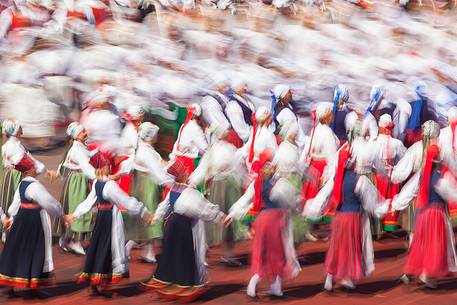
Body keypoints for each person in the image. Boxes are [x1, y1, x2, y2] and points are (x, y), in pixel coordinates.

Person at [303, 111, 389, 291]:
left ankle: (329, 276)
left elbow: (327, 190)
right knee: (354, 245)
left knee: (336, 245)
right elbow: (373, 195)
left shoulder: (342, 157)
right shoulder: (365, 160)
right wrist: (387, 206)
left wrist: (310, 208)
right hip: (356, 212)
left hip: (340, 210)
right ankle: (347, 277)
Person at [142, 158, 226, 302]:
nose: (188, 172)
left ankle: (171, 283)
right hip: (182, 227)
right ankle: (186, 286)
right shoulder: (189, 193)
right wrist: (220, 217)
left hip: (171, 226)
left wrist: (155, 217)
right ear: (181, 175)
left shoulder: (173, 190)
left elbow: (164, 206)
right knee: (185, 256)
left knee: (172, 256)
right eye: (185, 171)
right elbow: (203, 208)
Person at [64, 164, 153, 297]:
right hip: (110, 219)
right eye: (107, 166)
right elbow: (125, 200)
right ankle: (104, 284)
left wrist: (74, 214)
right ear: (104, 168)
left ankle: (95, 283)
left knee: (98, 247)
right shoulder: (110, 186)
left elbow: (88, 202)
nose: (110, 168)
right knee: (109, 248)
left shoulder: (97, 183)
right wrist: (143, 211)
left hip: (101, 218)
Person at [225, 151, 301, 298]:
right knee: (278, 253)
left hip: (262, 219)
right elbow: (292, 200)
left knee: (262, 252)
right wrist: (299, 205)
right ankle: (274, 288)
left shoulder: (258, 183)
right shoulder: (279, 183)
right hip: (275, 221)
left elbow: (245, 200)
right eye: (269, 165)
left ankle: (256, 285)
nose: (271, 167)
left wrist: (232, 214)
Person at [392, 121, 457, 288]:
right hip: (433, 196)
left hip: (418, 196)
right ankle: (424, 270)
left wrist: (397, 190)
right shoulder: (442, 149)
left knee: (417, 236)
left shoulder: (416, 149)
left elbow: (401, 173)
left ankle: (414, 270)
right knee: (433, 237)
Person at [0, 157, 64, 293]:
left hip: (22, 219)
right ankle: (33, 285)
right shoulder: (35, 186)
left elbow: (15, 204)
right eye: (34, 167)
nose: (36, 168)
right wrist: (61, 213)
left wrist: (12, 218)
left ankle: (12, 284)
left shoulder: (22, 183)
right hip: (34, 220)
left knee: (18, 250)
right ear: (30, 170)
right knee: (36, 249)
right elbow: (49, 202)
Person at [189, 125, 247, 266]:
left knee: (229, 221)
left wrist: (244, 181)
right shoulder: (214, 150)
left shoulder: (230, 149)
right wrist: (193, 181)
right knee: (213, 219)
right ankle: (202, 254)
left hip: (229, 187)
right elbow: (203, 168)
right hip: (218, 186)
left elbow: (239, 168)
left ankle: (228, 255)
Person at [124, 122, 174, 263]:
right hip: (147, 185)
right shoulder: (145, 151)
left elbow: (160, 162)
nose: (157, 137)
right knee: (150, 214)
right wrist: (171, 182)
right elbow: (157, 171)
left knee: (144, 218)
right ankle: (144, 251)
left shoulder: (146, 149)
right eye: (155, 134)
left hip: (146, 183)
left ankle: (143, 251)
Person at [1, 119, 47, 239]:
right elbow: (26, 161)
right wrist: (39, 168)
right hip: (16, 175)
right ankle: (10, 231)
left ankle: (8, 231)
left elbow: (28, 157)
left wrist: (42, 168)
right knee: (15, 200)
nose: (22, 129)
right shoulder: (14, 146)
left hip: (10, 175)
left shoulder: (14, 145)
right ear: (15, 131)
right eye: (20, 127)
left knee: (10, 199)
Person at [57, 122, 97, 255]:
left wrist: (99, 150)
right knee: (78, 207)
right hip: (78, 181)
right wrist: (99, 176)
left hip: (77, 179)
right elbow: (86, 166)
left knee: (75, 207)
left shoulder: (78, 147)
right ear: (76, 135)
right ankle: (75, 241)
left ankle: (67, 238)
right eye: (82, 132)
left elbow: (87, 155)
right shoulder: (77, 150)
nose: (85, 133)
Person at [301, 102, 339, 228]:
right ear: (328, 116)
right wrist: (331, 174)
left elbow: (307, 150)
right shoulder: (327, 133)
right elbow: (331, 156)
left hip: (313, 167)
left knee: (310, 195)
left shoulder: (315, 129)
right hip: (322, 169)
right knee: (320, 197)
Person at [372, 114, 406, 234]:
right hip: (391, 177)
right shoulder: (396, 143)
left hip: (377, 177)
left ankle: (377, 227)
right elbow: (404, 158)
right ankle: (388, 226)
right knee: (390, 201)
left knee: (377, 201)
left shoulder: (373, 142)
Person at [169, 103, 208, 175]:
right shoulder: (195, 128)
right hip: (188, 163)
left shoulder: (184, 125)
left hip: (178, 160)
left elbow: (177, 144)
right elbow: (204, 148)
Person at [225, 80, 255, 144]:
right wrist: (251, 136)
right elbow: (239, 126)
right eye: (243, 86)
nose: (245, 88)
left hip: (254, 132)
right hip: (247, 139)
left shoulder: (246, 98)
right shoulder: (233, 105)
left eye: (246, 86)